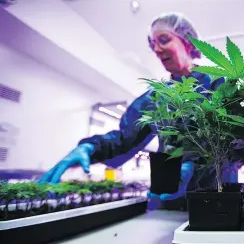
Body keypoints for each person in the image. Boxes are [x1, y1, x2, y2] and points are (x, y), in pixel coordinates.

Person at [38, 12, 226, 208]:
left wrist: (197, 167)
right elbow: (125, 138)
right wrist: (90, 147)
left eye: (164, 40)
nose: (157, 49)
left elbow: (233, 140)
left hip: (218, 199)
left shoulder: (217, 83)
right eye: (153, 45)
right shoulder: (157, 97)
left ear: (187, 41)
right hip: (170, 200)